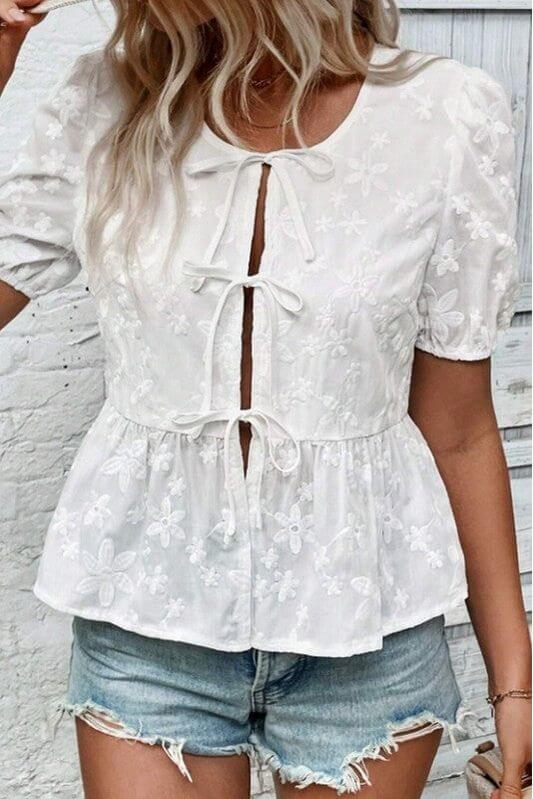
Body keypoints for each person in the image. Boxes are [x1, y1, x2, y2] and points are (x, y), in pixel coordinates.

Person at [0, 2, 530, 797]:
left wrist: (514, 683)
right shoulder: (107, 99)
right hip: (149, 617)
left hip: (367, 630)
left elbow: (456, 428)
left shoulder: (446, 113)